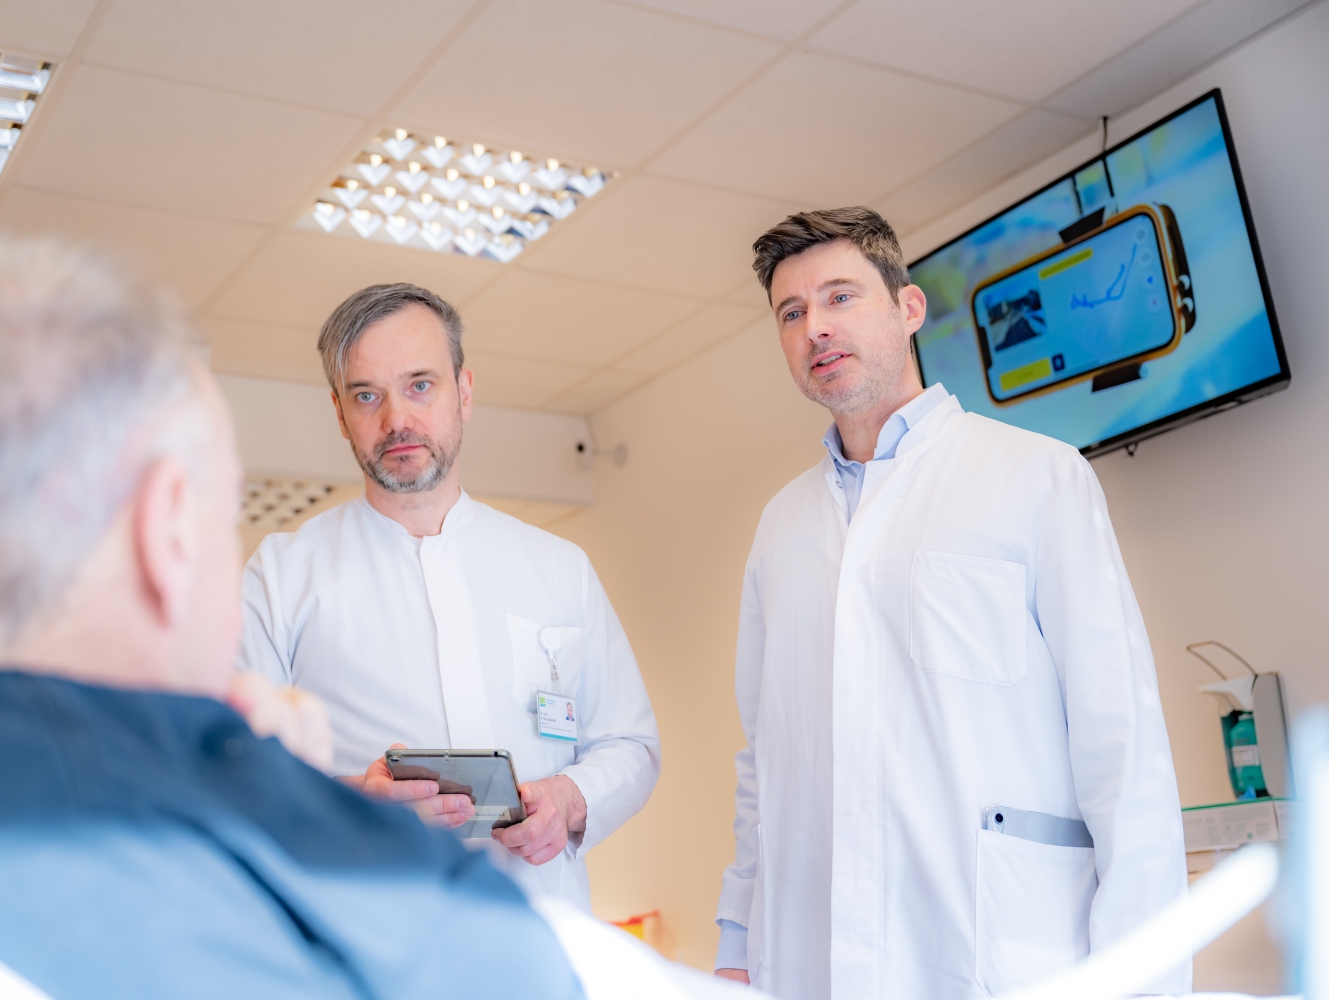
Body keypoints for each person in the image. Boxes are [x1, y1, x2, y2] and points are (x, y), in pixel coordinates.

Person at [0, 242, 584, 1000]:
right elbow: (521, 975)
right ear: (167, 533)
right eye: (223, 516)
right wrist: (292, 809)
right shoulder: (245, 916)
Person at [712, 209, 1189, 998]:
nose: (815, 327)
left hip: (996, 953)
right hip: (809, 959)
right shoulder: (781, 526)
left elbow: (1122, 747)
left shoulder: (1037, 477)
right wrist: (738, 943)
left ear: (908, 308)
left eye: (840, 297)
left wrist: (1147, 981)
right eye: (790, 313)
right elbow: (764, 762)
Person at [238, 283, 660, 910]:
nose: (396, 420)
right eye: (366, 395)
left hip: (537, 932)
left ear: (463, 392)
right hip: (372, 935)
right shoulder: (281, 575)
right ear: (340, 414)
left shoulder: (558, 568)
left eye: (419, 385)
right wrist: (355, 802)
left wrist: (570, 798)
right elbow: (234, 772)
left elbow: (630, 745)